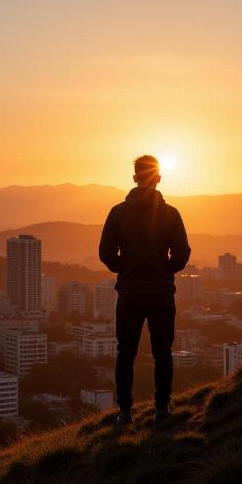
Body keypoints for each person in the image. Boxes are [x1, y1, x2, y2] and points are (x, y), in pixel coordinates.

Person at [99, 155, 191, 424]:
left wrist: (125, 269)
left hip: (129, 293)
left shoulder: (117, 213)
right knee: (163, 352)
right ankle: (162, 409)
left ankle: (125, 411)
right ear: (159, 179)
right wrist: (164, 271)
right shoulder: (171, 214)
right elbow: (182, 254)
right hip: (161, 293)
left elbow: (106, 253)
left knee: (125, 353)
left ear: (135, 178)